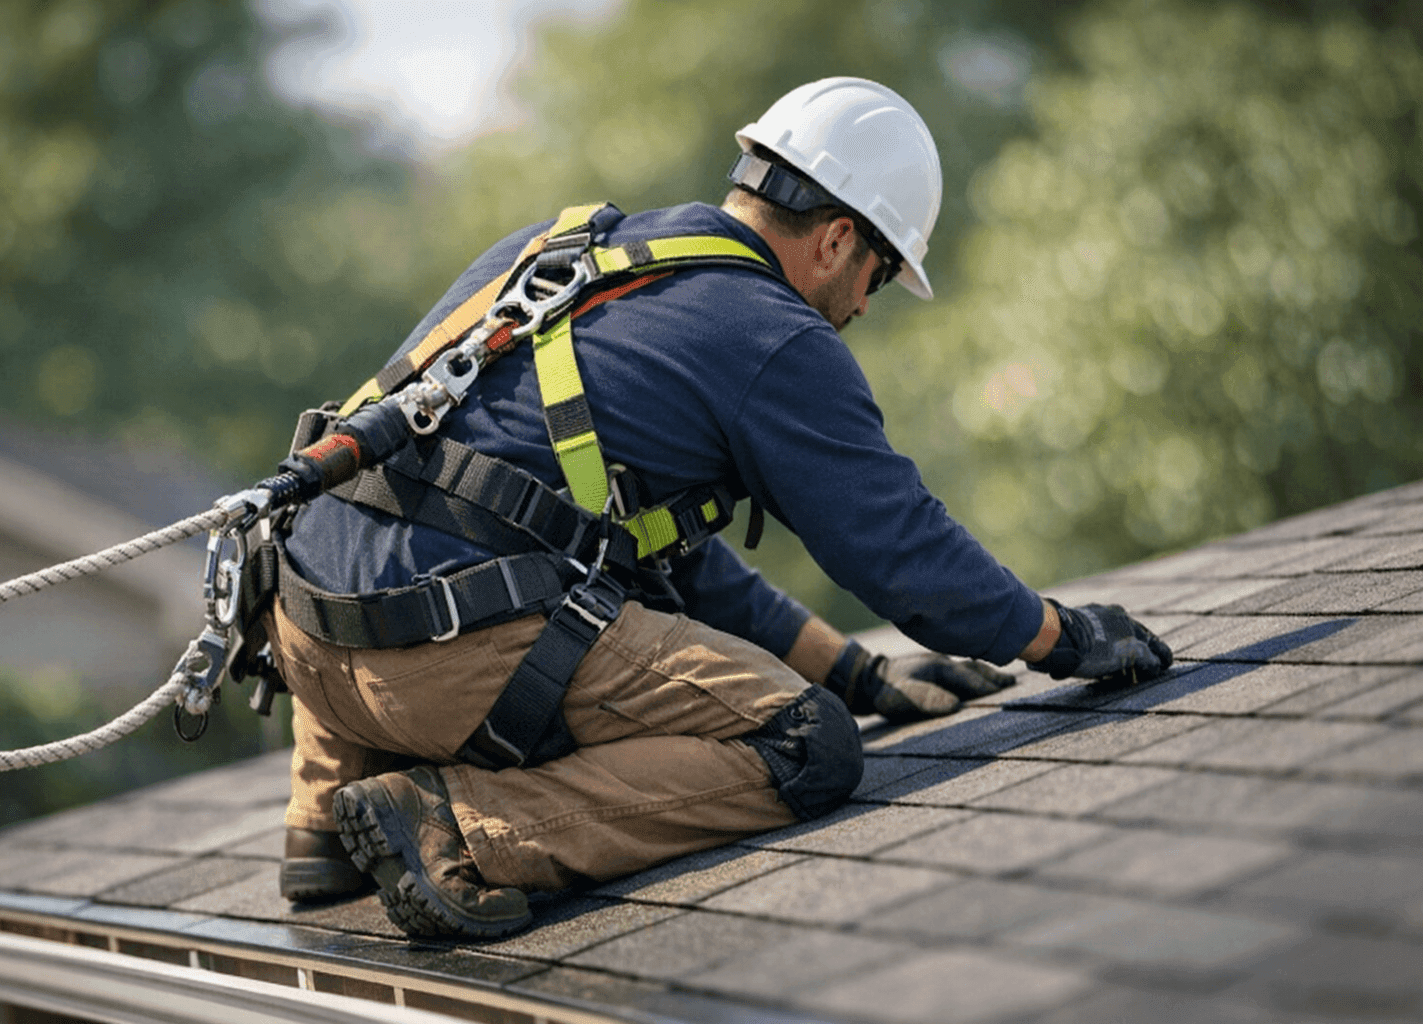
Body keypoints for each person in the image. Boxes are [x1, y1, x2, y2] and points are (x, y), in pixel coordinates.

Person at [265, 77, 1173, 939]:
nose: (864, 303)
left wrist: (858, 674)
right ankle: (451, 826)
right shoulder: (773, 334)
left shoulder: (562, 251)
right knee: (808, 742)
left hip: (306, 637)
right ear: (836, 240)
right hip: (440, 666)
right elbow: (900, 549)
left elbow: (649, 557)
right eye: (881, 275)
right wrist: (1060, 635)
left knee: (495, 553)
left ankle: (322, 821)